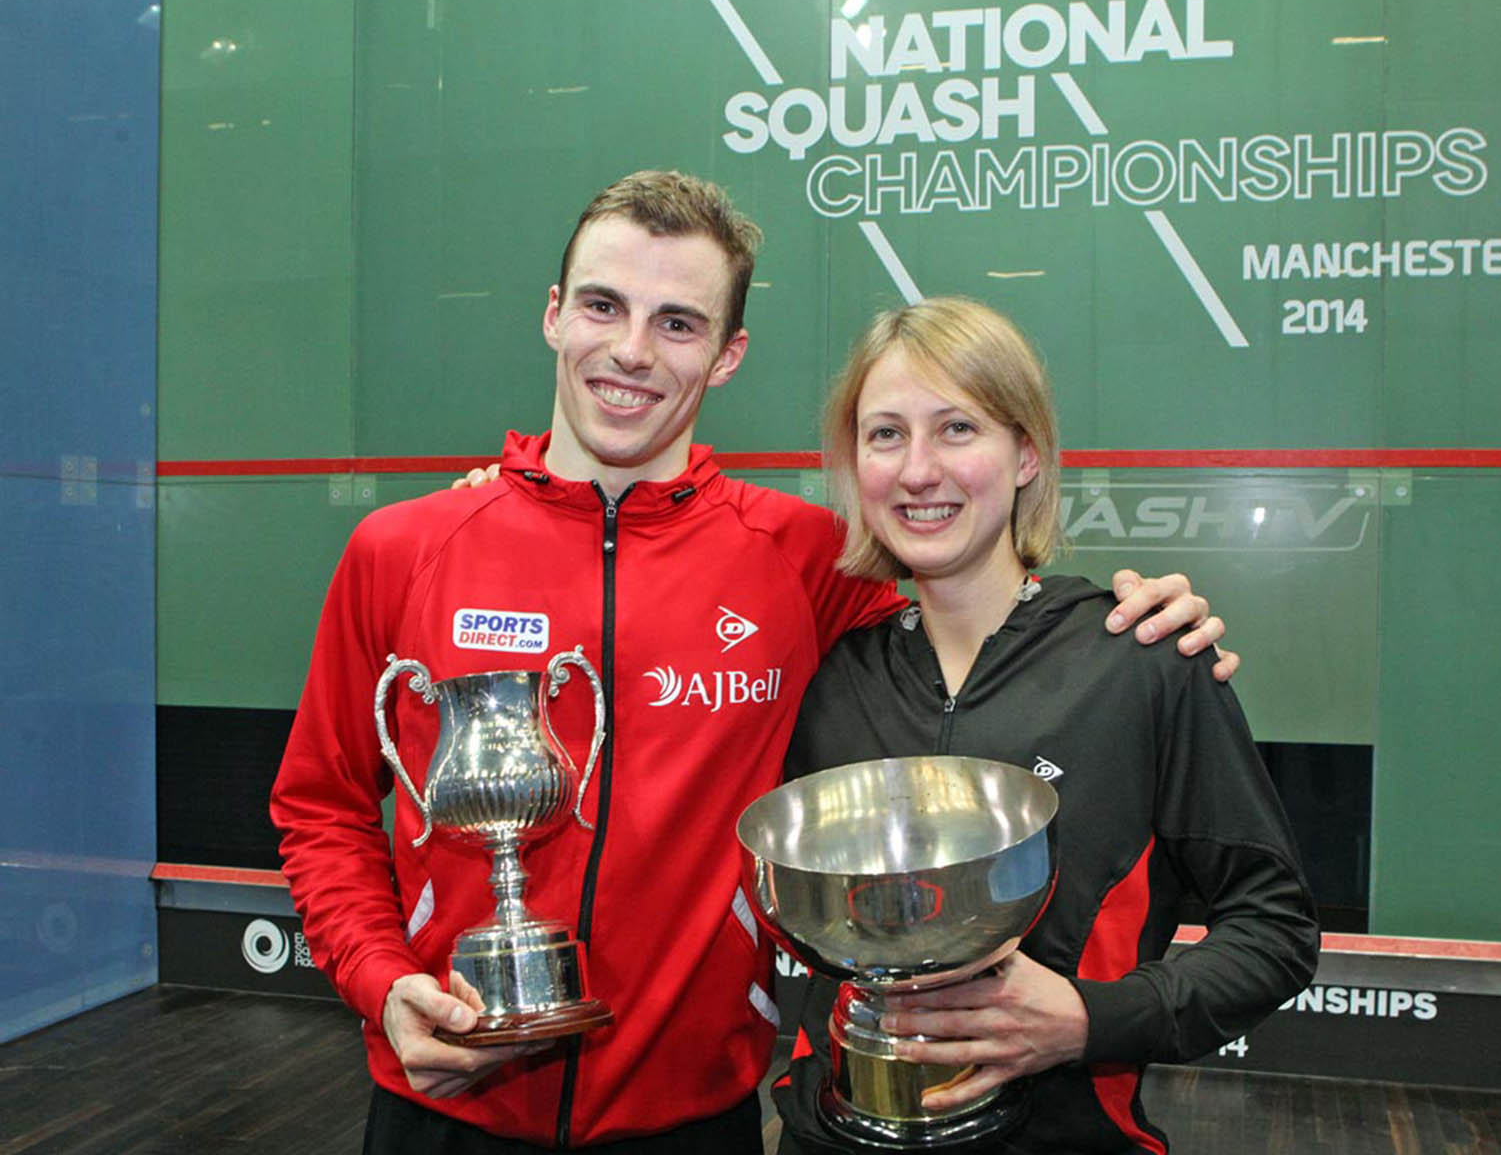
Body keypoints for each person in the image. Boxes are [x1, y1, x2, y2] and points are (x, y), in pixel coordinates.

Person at [271, 170, 1235, 1154]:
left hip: (696, 1118)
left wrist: (1131, 614)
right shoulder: (404, 548)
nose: (631, 351)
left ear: (727, 355)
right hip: (441, 1108)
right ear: (554, 315)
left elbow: (972, 609)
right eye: (603, 306)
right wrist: (382, 985)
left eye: (678, 323)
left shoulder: (798, 556)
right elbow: (321, 807)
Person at [774, 298, 1320, 1154]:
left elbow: (1276, 930)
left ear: (1025, 453)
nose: (918, 470)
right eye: (886, 435)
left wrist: (1088, 1019)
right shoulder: (833, 674)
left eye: (958, 428)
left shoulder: (1142, 657)